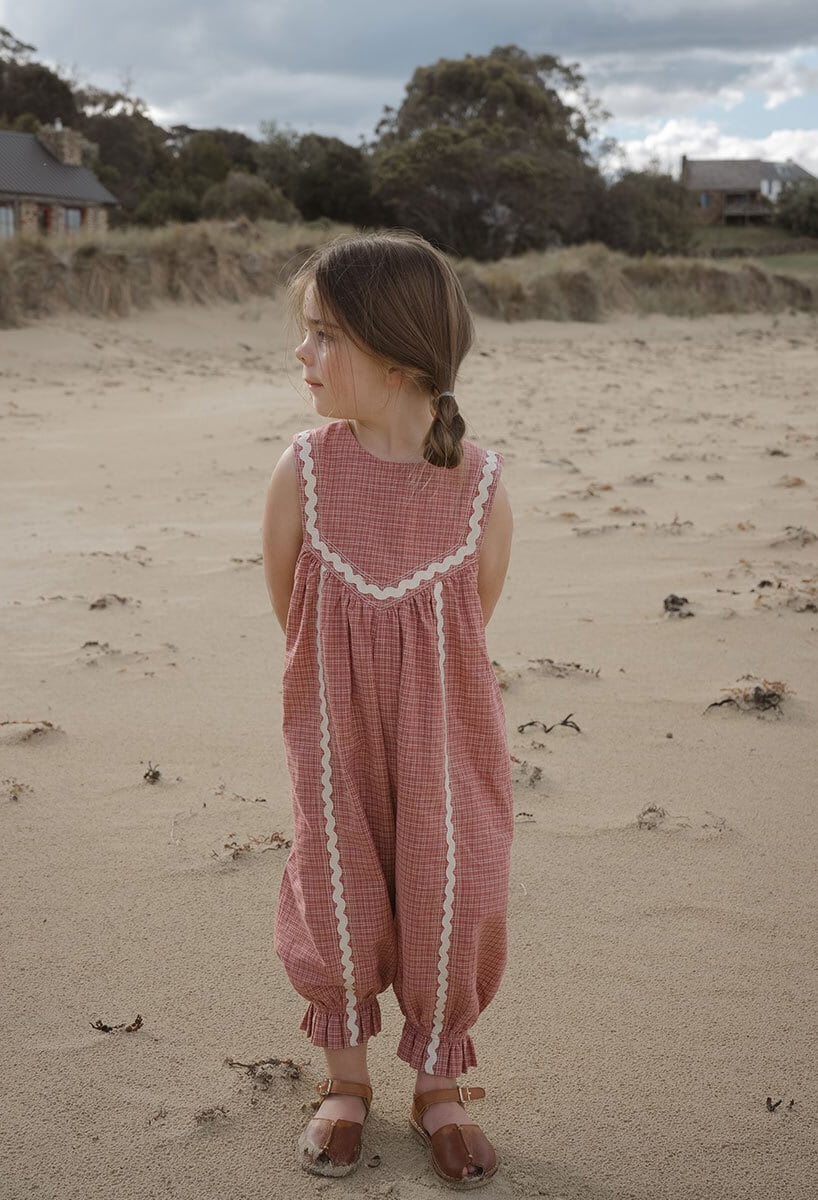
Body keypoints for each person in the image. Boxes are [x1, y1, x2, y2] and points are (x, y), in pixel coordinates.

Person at [262, 231, 514, 1190]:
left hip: (445, 737)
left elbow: (471, 621)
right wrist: (351, 682)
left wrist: (412, 694)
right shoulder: (304, 470)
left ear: (400, 356)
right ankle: (347, 1081)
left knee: (453, 883)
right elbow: (291, 607)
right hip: (335, 728)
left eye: (325, 335)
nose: (302, 352)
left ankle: (439, 1086)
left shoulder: (479, 486)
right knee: (339, 881)